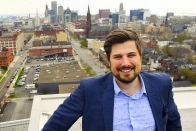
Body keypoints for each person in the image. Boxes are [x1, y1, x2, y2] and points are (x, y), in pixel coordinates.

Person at [42, 29, 181, 131]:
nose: (125, 63)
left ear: (140, 57)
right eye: (118, 57)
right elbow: (54, 127)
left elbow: (173, 125)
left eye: (131, 55)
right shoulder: (89, 89)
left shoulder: (162, 84)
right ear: (109, 60)